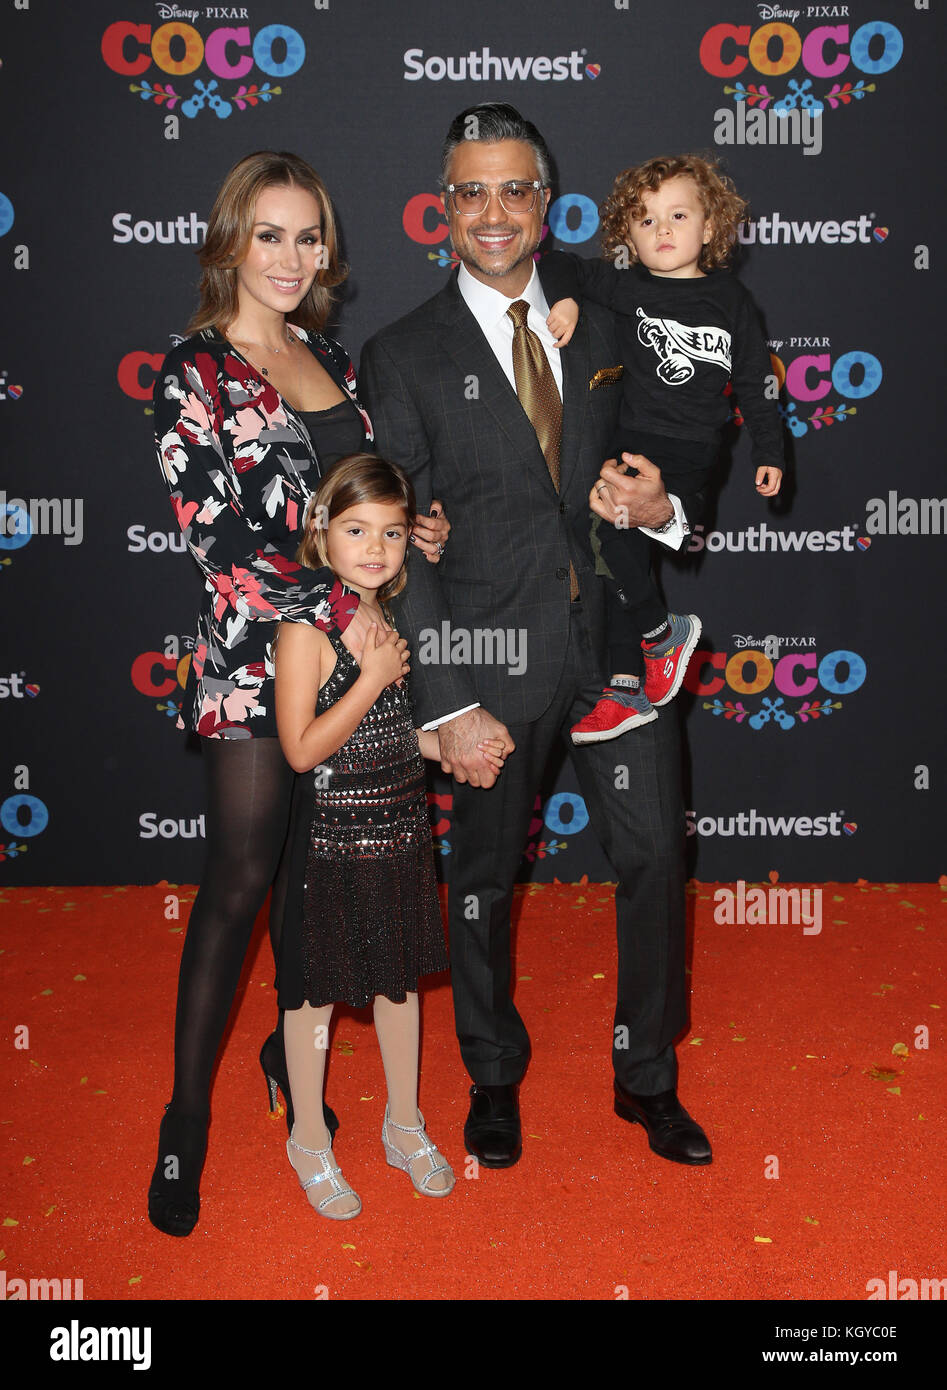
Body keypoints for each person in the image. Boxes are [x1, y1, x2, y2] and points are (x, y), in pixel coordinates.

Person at [359, 104, 711, 1171]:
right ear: (444, 206)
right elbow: (395, 543)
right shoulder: (402, 351)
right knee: (479, 879)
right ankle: (491, 1073)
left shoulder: (608, 320)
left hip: (614, 646)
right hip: (488, 660)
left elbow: (676, 448)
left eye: (515, 189)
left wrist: (664, 511)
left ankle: (644, 1075)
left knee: (653, 857)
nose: (495, 212)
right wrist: (450, 700)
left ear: (545, 200)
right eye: (472, 191)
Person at [148, 151, 449, 1237]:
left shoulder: (326, 355)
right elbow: (216, 541)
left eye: (308, 235)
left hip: (354, 659)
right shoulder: (190, 371)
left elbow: (342, 505)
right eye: (269, 233)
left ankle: (290, 1048)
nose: (291, 255)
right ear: (231, 240)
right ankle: (185, 1121)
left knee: (312, 885)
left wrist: (404, 531)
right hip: (253, 659)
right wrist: (334, 606)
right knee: (238, 881)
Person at [273, 454, 506, 1217]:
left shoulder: (390, 619)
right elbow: (303, 750)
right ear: (321, 533)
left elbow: (391, 733)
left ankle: (402, 1122)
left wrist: (453, 750)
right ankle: (308, 1134)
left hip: (400, 827)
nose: (375, 548)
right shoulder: (304, 632)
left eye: (393, 533)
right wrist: (371, 677)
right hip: (329, 842)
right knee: (313, 999)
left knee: (397, 983)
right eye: (356, 529)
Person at [539, 155, 784, 743]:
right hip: (637, 440)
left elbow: (754, 382)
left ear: (710, 227)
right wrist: (568, 300)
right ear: (629, 237)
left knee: (607, 534)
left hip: (694, 450)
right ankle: (626, 687)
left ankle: (658, 635)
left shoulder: (731, 299)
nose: (664, 231)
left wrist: (770, 452)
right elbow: (558, 261)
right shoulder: (629, 288)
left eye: (678, 215)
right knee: (614, 550)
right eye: (646, 222)